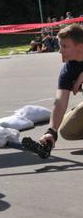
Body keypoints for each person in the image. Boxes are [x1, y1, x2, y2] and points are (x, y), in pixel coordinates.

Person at [39, 24, 83, 152]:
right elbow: (60, 103)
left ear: (80, 47)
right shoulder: (69, 69)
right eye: (60, 46)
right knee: (67, 131)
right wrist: (51, 131)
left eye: (65, 46)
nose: (60, 51)